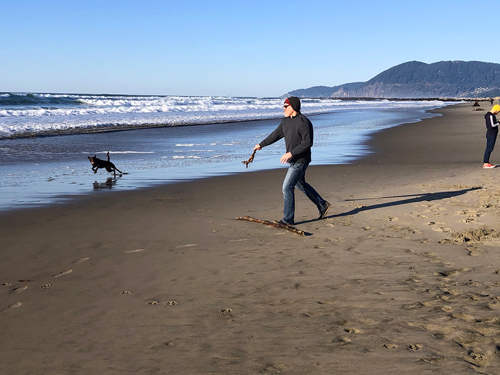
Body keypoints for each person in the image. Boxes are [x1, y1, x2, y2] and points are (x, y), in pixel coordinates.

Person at [253, 97, 330, 226]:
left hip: (301, 160)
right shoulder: (285, 122)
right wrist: (261, 144)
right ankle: (322, 205)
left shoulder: (303, 122)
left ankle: (288, 219)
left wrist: (291, 153)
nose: (283, 108)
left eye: (286, 106)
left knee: (287, 187)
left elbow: (308, 142)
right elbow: (275, 135)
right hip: (294, 159)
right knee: (300, 184)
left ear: (293, 107)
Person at [483, 104, 500, 168]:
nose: (498, 113)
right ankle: (486, 163)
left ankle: (487, 162)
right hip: (491, 134)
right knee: (489, 148)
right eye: (498, 111)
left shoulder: (490, 115)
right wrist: (498, 122)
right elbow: (492, 125)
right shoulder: (490, 115)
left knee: (490, 148)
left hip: (492, 133)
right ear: (496, 110)